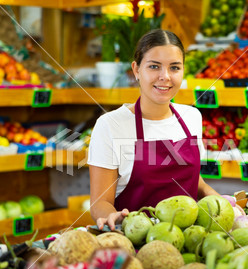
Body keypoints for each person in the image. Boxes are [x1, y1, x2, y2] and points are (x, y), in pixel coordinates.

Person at [88, 29, 220, 230]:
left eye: (174, 67)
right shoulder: (110, 125)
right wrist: (114, 217)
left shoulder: (192, 117)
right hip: (136, 240)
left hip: (190, 239)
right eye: (154, 66)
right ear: (136, 70)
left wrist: (220, 201)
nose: (165, 76)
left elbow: (194, 181)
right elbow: (99, 203)